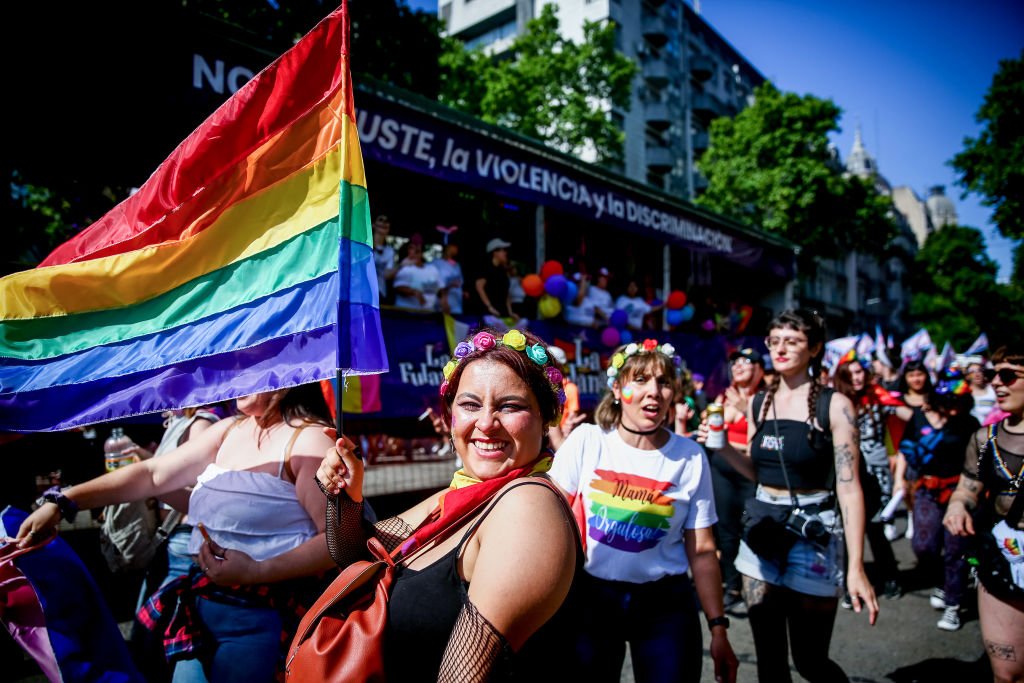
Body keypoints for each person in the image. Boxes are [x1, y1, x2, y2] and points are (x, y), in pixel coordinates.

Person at [18, 385, 338, 683]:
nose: (237, 374)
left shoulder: (311, 441)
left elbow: (337, 540)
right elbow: (153, 475)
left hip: (262, 620)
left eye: (250, 362)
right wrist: (63, 500)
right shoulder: (230, 429)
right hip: (196, 611)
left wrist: (257, 570)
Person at [316, 328, 579, 680]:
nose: (486, 423)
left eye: (510, 406)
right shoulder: (458, 497)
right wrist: (345, 497)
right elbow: (355, 556)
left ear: (546, 418)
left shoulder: (526, 506)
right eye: (470, 404)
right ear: (449, 414)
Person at [698, 309, 878, 683]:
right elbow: (757, 470)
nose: (780, 349)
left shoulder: (836, 405)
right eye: (774, 340)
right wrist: (722, 449)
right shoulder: (758, 403)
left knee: (811, 661)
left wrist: (856, 566)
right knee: (770, 661)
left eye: (792, 341)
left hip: (813, 534)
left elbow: (849, 487)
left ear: (813, 349)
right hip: (762, 531)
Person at [549, 338, 738, 683]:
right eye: (641, 380)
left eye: (664, 382)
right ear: (619, 388)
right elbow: (547, 519)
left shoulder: (691, 456)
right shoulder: (587, 441)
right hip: (593, 598)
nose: (654, 391)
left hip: (665, 604)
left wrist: (718, 628)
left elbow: (703, 551)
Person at [944, 345, 1024, 683]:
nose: (997, 384)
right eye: (993, 375)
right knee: (1007, 674)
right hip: (1003, 555)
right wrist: (957, 505)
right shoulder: (984, 439)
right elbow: (967, 487)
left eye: (1008, 376)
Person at [895, 367, 979, 631]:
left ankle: (954, 602)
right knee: (924, 546)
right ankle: (945, 582)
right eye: (950, 403)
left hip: (959, 492)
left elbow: (977, 462)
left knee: (956, 549)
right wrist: (900, 480)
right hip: (926, 490)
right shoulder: (919, 417)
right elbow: (904, 450)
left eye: (960, 404)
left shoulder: (969, 423)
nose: (954, 409)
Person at [832, 359, 903, 601]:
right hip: (846, 472)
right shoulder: (836, 401)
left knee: (874, 527)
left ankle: (890, 577)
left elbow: (907, 415)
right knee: (843, 528)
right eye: (851, 373)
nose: (857, 378)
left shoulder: (876, 399)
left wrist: (886, 396)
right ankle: (846, 584)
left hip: (874, 470)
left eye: (860, 371)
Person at [711, 347, 766, 614]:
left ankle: (755, 585)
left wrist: (746, 409)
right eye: (735, 362)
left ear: (760, 369)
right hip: (721, 469)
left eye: (747, 361)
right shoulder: (726, 395)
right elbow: (716, 431)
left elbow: (763, 442)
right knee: (726, 529)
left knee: (751, 528)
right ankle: (732, 586)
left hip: (749, 471)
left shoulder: (767, 398)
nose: (739, 365)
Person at [393, 233, 443, 312]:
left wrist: (444, 301)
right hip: (406, 314)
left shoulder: (433, 269)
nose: (416, 248)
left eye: (418, 246)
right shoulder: (405, 268)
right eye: (411, 247)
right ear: (407, 251)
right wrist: (415, 292)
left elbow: (440, 289)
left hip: (429, 314)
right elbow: (399, 287)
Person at [472, 238, 518, 320]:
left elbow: (506, 294)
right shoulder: (486, 267)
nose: (505, 253)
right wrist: (489, 307)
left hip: (502, 314)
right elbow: (479, 286)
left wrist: (510, 312)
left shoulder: (503, 271)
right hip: (488, 315)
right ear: (494, 252)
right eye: (502, 250)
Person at [434, 239, 465, 315]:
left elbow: (460, 283)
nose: (457, 249)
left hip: (457, 307)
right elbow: (436, 285)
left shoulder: (457, 265)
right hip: (443, 307)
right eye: (455, 246)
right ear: (448, 247)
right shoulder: (436, 263)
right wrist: (444, 298)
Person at [371, 215, 398, 304]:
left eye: (387, 221)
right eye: (381, 220)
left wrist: (402, 265)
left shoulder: (390, 251)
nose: (384, 222)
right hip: (361, 291)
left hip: (379, 293)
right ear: (373, 225)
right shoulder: (364, 246)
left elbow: (386, 275)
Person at [966, 357, 999, 424]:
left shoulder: (993, 389)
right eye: (972, 371)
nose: (977, 374)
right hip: (973, 429)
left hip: (992, 427)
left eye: (980, 370)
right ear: (968, 376)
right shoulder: (965, 392)